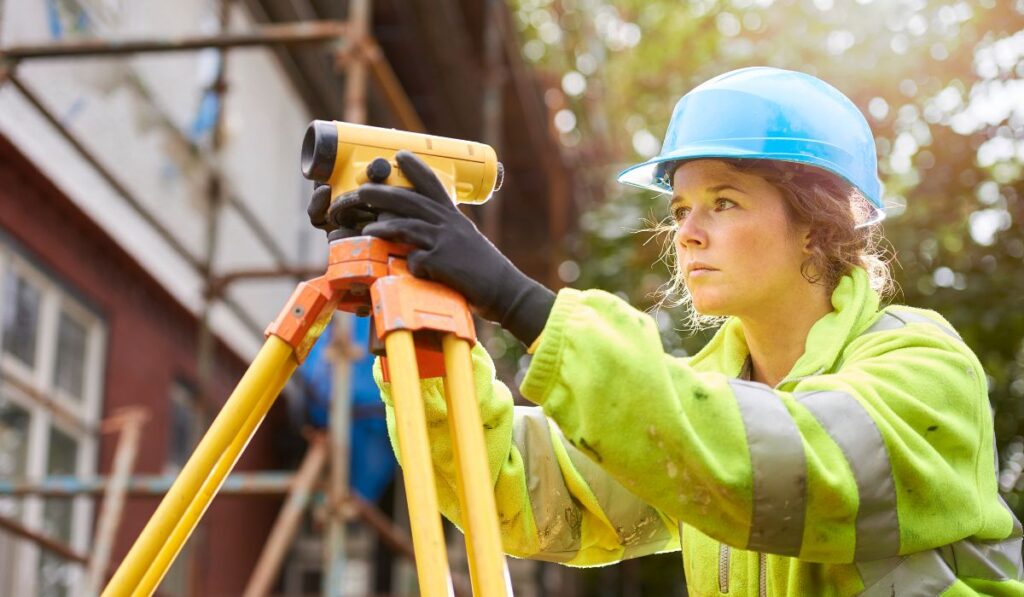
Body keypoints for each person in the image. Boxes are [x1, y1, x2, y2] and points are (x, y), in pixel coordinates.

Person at [308, 67, 1024, 595]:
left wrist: (522, 302)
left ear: (817, 224)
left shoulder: (925, 367)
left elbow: (783, 464)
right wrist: (425, 317)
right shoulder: (697, 405)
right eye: (680, 208)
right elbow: (522, 494)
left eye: (724, 201)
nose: (689, 233)